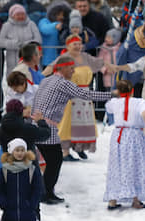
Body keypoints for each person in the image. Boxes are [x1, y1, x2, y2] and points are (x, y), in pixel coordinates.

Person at [31, 54, 113, 204]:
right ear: (62, 68)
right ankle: (46, 193)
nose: (74, 71)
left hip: (36, 124)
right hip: (48, 128)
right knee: (54, 160)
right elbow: (85, 94)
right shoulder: (63, 83)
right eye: (71, 68)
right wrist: (112, 95)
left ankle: (44, 191)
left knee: (48, 161)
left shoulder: (46, 79)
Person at [43, 35, 107, 161]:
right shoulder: (64, 58)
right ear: (68, 46)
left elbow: (99, 63)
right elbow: (51, 67)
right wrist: (40, 77)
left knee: (82, 122)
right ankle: (65, 151)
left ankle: (79, 146)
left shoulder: (86, 57)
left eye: (79, 44)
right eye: (74, 44)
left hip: (84, 96)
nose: (77, 46)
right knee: (67, 123)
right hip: (70, 94)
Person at [103, 80, 145, 211]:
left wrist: (116, 94)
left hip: (118, 136)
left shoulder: (114, 102)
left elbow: (108, 105)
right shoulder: (139, 102)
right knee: (136, 165)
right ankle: (136, 199)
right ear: (132, 90)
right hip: (134, 136)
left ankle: (112, 200)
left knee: (116, 165)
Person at [0, 4, 42, 72]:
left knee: (31, 78)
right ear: (12, 15)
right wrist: (13, 44)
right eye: (18, 14)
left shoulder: (31, 24)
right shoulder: (6, 26)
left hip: (31, 59)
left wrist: (27, 44)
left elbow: (38, 39)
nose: (21, 16)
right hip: (13, 61)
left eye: (22, 14)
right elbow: (0, 42)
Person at [38, 0, 70, 69]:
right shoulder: (44, 21)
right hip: (48, 61)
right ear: (53, 13)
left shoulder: (66, 25)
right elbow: (44, 29)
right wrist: (55, 26)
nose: (61, 17)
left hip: (63, 61)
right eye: (58, 14)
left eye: (63, 15)